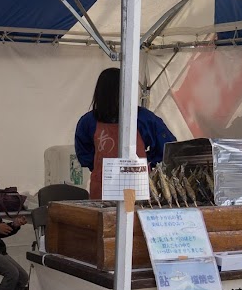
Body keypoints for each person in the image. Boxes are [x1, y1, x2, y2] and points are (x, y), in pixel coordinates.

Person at [74, 67, 176, 199]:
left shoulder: (143, 118)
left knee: (116, 217)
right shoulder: (89, 122)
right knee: (123, 217)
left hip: (131, 187)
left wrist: (147, 162)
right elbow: (168, 148)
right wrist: (148, 161)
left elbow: (168, 149)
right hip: (105, 187)